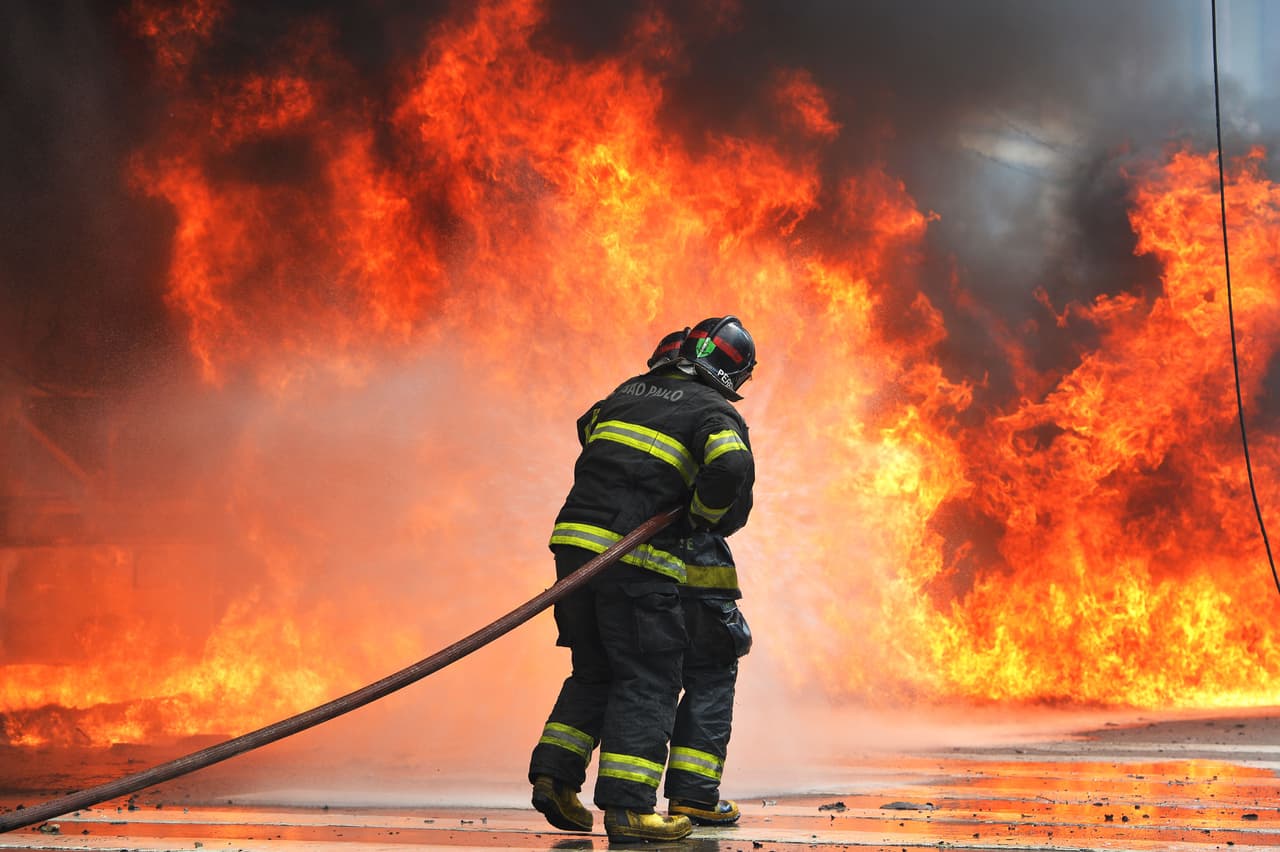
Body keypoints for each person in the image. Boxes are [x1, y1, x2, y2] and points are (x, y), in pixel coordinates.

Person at [528, 316, 757, 843]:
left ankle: (556, 778)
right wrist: (700, 515)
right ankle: (630, 809)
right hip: (635, 559)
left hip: (573, 548)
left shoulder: (627, 392)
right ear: (731, 372)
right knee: (648, 677)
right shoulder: (712, 411)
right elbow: (728, 464)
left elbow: (589, 427)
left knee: (595, 670)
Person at [650, 324, 754, 828]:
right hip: (699, 582)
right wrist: (699, 513)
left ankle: (596, 786)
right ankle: (694, 795)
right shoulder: (712, 416)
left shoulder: (643, 414)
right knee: (711, 675)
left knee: (645, 679)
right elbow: (734, 509)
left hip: (642, 583)